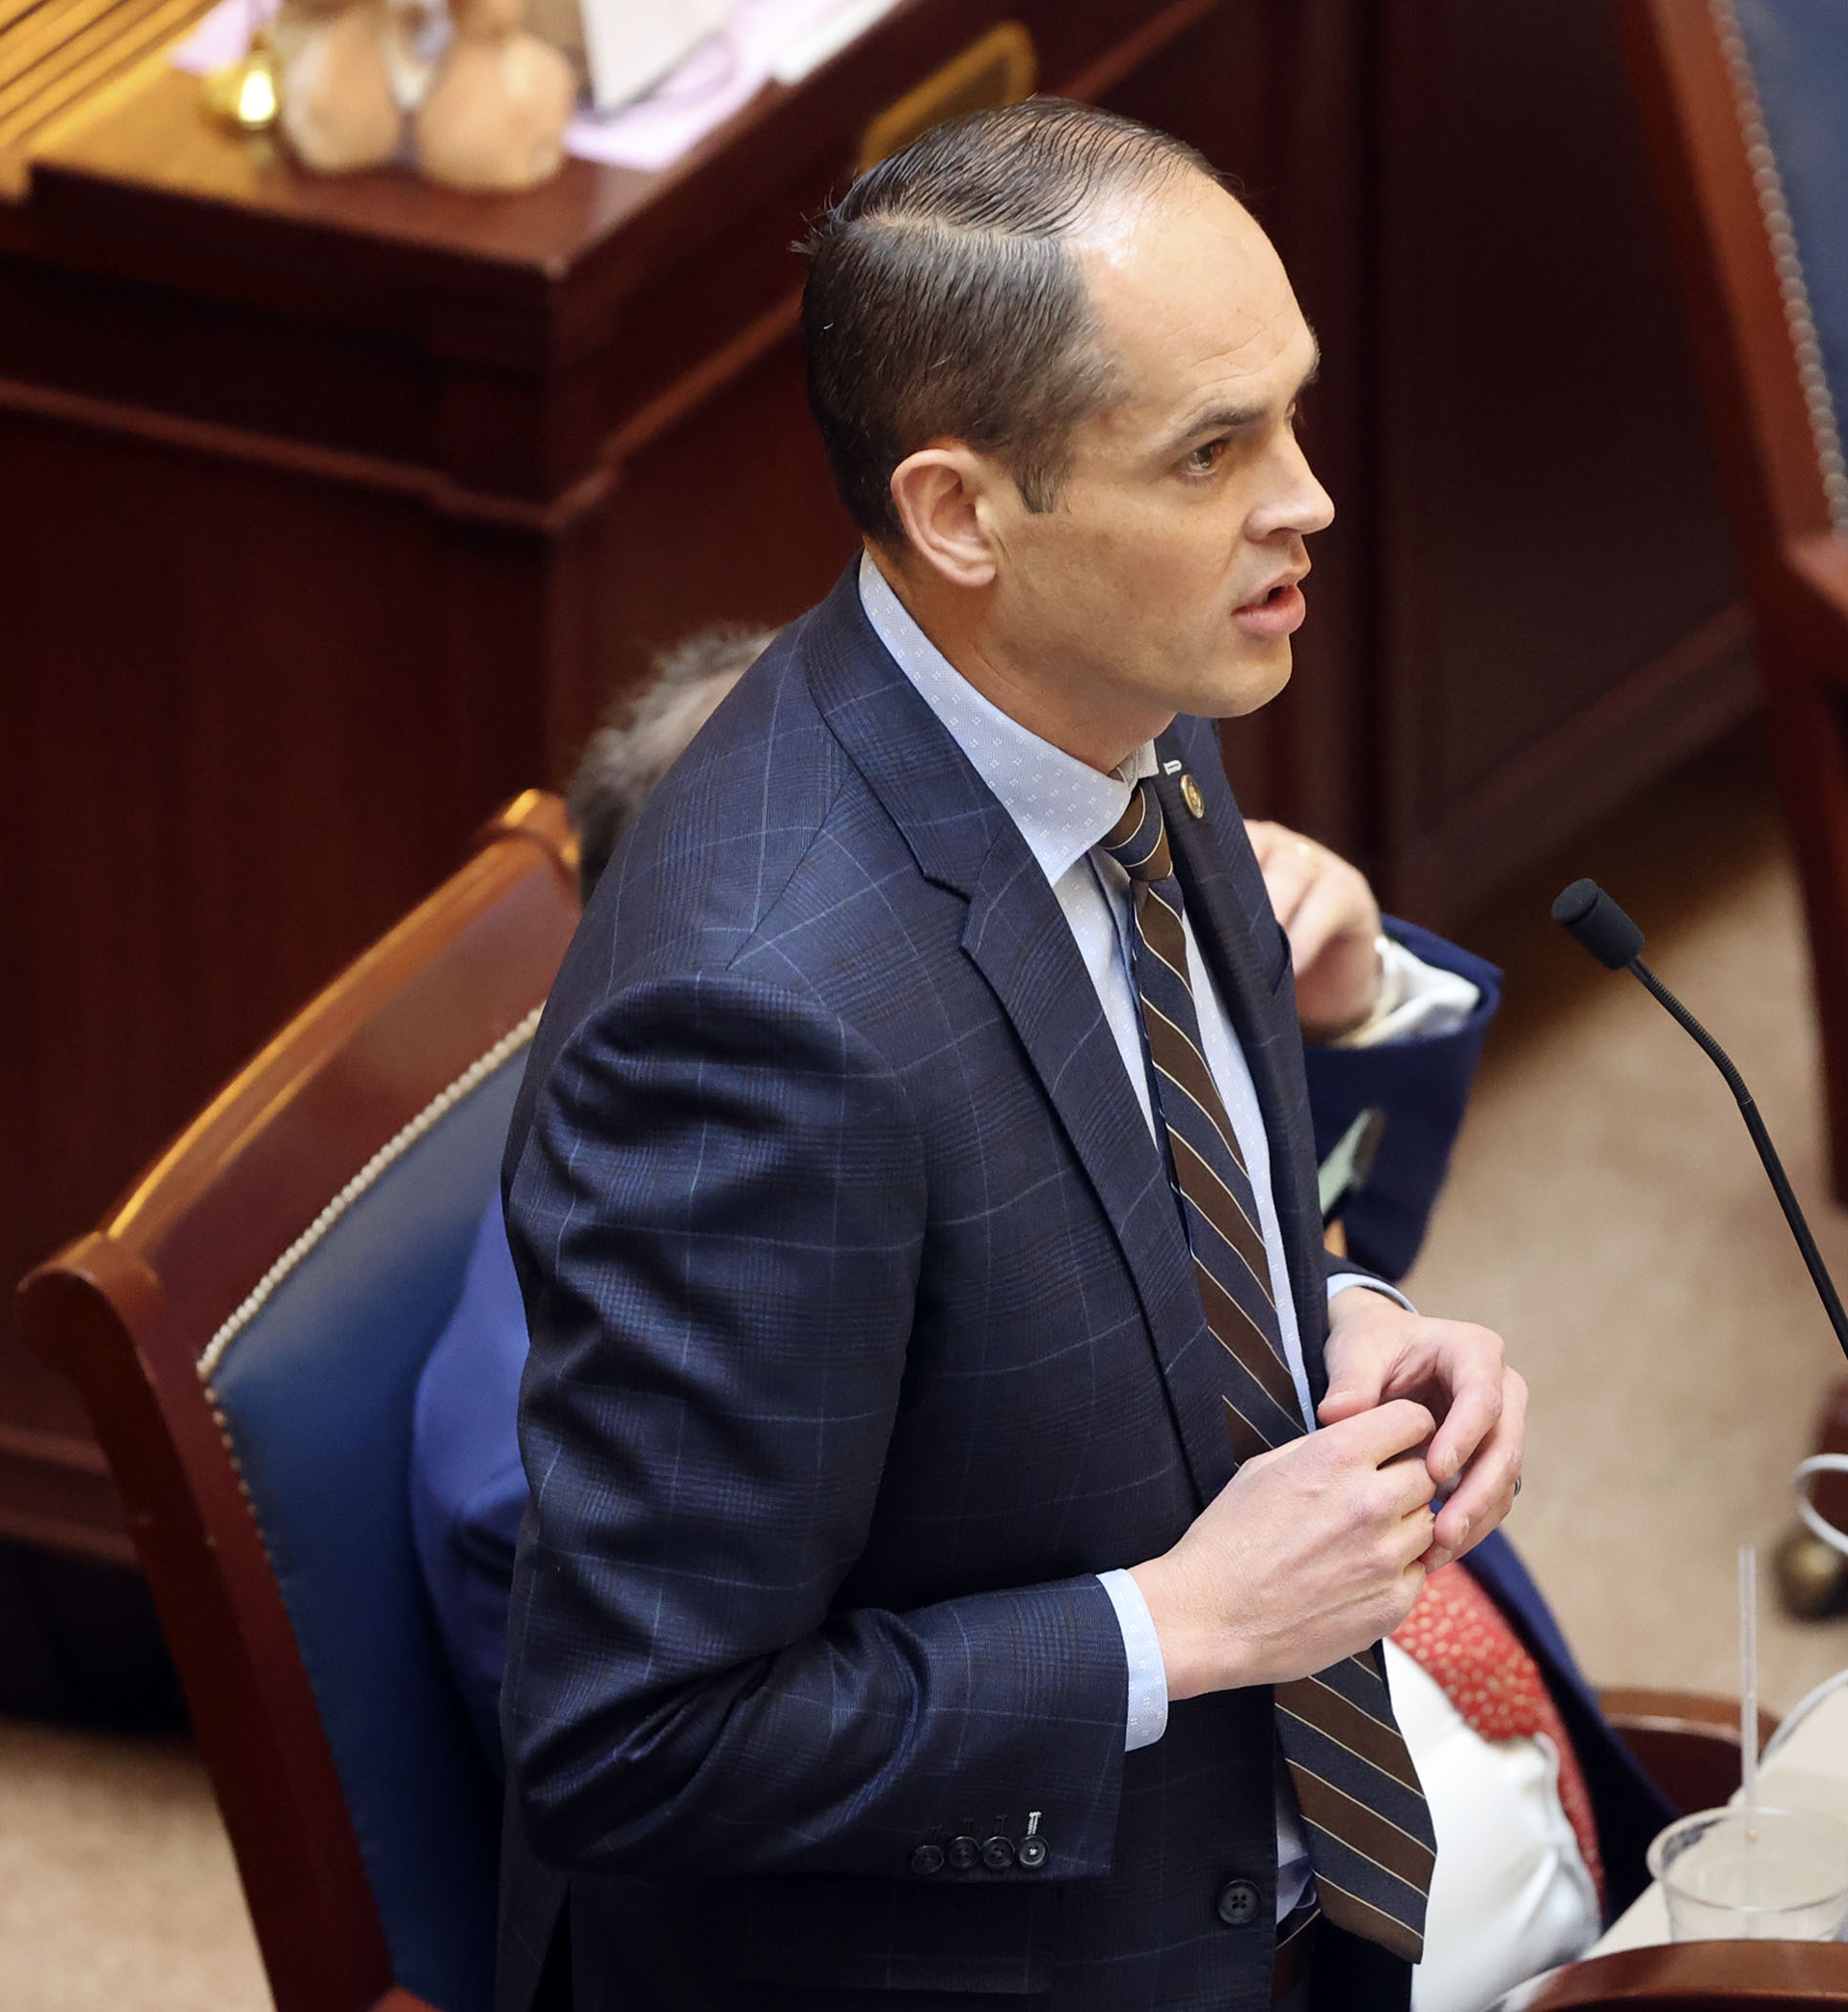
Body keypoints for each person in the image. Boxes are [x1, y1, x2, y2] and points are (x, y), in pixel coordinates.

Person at [493, 101, 1529, 2011]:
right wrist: (1183, 1623)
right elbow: (635, 1737)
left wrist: (1341, 1316)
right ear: (963, 512)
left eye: (1289, 414)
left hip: (1280, 1873)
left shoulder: (1119, 681)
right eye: (1215, 450)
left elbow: (1131, 1219)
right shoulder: (755, 1021)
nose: (1303, 499)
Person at [416, 627, 1646, 2012]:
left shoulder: (931, 1005)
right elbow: (655, 1765)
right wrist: (1176, 1622)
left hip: (1413, 1813)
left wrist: (1341, 1306)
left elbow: (1102, 1308)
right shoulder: (533, 1444)